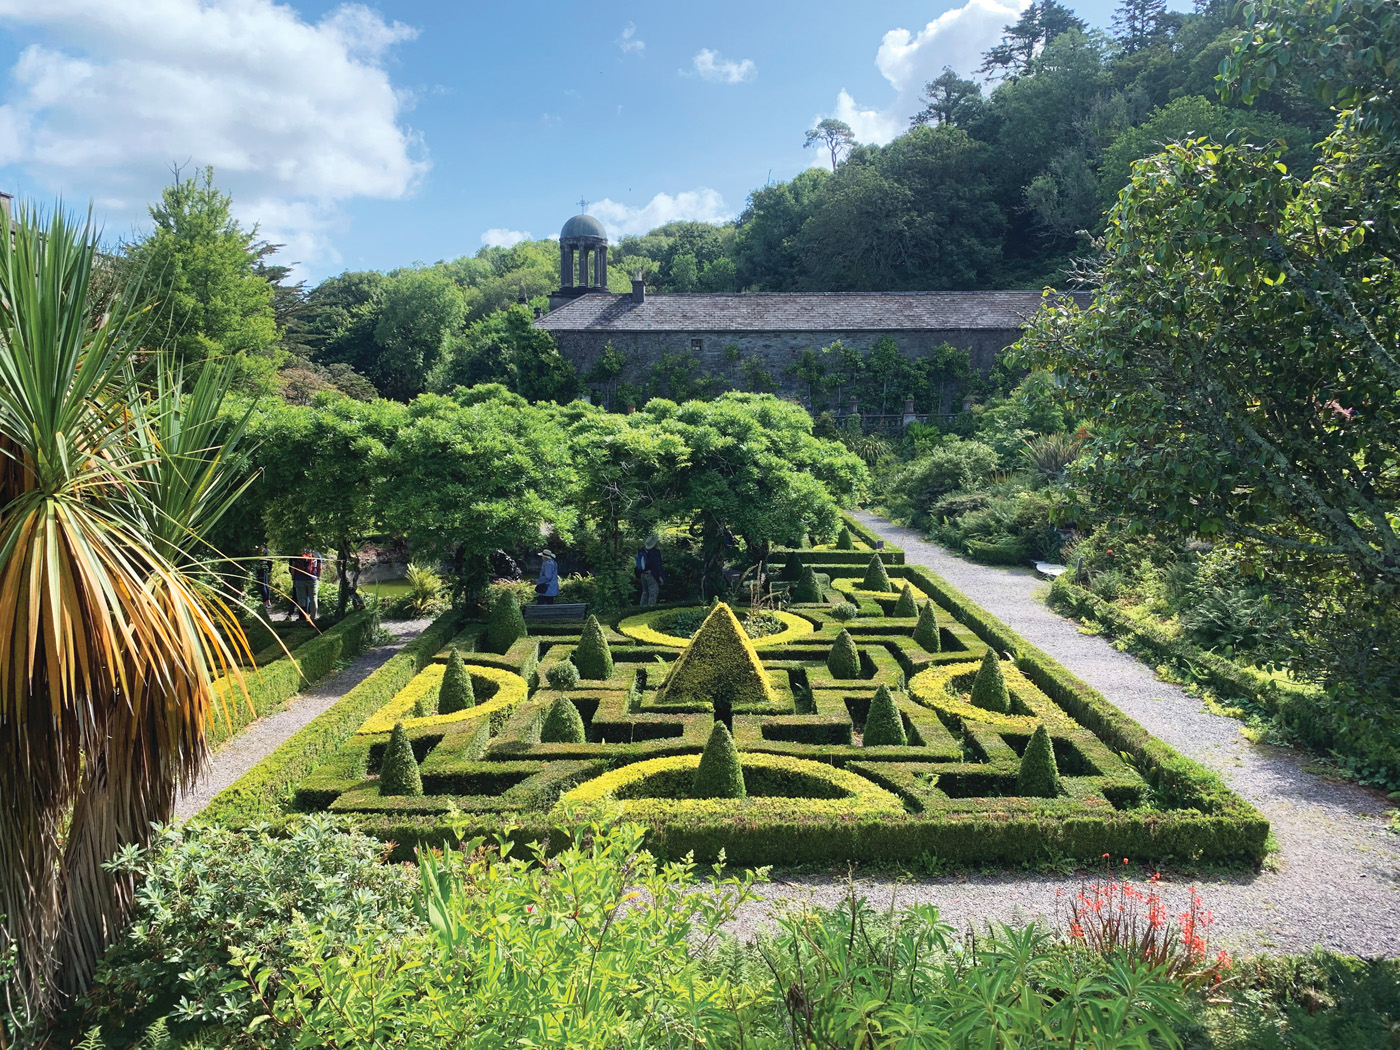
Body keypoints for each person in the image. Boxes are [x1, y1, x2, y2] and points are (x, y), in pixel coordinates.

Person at [637, 534, 663, 606]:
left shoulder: (642, 550)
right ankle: (650, 608)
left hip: (642, 574)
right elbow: (656, 566)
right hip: (651, 575)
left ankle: (642, 608)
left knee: (645, 592)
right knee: (653, 592)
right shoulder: (654, 552)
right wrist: (660, 577)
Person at [289, 549, 314, 622]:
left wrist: (293, 578)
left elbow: (293, 567)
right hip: (311, 578)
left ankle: (298, 616)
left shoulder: (296, 553)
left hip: (299, 578)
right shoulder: (313, 553)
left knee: (299, 598)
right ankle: (310, 615)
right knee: (309, 597)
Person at [255, 545, 273, 617]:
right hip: (264, 570)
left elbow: (269, 561)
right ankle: (268, 601)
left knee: (262, 586)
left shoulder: (262, 554)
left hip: (261, 570)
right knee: (265, 585)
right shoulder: (266, 552)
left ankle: (265, 601)